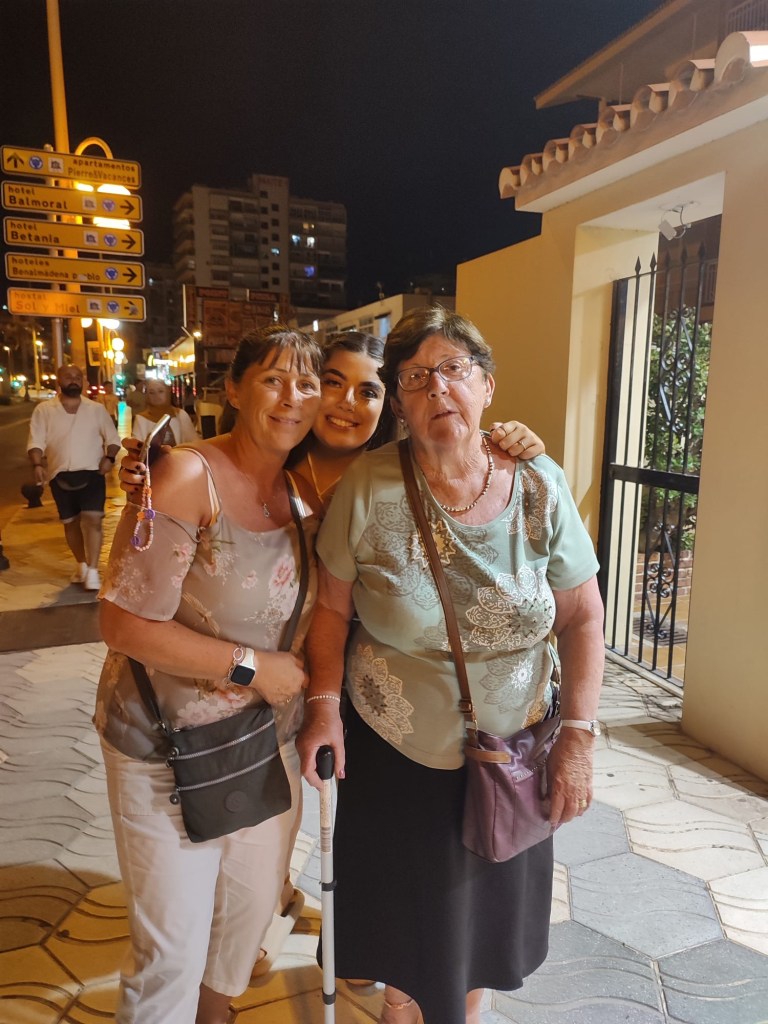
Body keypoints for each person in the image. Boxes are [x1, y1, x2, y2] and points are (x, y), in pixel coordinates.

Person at [117, 328, 547, 977]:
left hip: (379, 676)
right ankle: (264, 910)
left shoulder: (403, 470)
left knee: (365, 818)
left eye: (368, 390)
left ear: (389, 404)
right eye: (332, 384)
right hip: (275, 681)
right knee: (274, 817)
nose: (347, 403)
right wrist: (142, 480)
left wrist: (509, 437)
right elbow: (193, 505)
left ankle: (363, 937)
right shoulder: (272, 469)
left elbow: (473, 471)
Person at [297, 306, 605, 1024]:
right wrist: (322, 709)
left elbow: (584, 617)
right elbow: (331, 612)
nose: (437, 388)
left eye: (453, 370)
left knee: (479, 924)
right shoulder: (369, 487)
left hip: (511, 752)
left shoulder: (539, 483)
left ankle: (459, 1009)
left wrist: (579, 738)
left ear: (487, 386)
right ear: (399, 406)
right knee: (406, 925)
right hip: (396, 751)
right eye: (414, 378)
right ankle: (402, 1003)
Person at [95, 325, 324, 1024]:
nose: (292, 397)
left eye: (307, 383)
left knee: (246, 917)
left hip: (263, 741)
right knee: (172, 949)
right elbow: (124, 624)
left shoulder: (306, 489)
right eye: (273, 379)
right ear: (233, 389)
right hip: (164, 745)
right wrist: (253, 668)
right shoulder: (187, 477)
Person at [27, 364, 121, 591]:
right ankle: (81, 563)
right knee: (71, 523)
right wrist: (37, 464)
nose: (73, 380)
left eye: (78, 377)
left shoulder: (96, 409)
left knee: (94, 520)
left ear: (83, 382)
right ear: (59, 381)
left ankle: (93, 570)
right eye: (68, 376)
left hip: (92, 472)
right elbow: (36, 441)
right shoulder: (44, 410)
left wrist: (109, 458)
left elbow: (113, 439)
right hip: (59, 474)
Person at [132, 378, 198, 447]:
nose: (156, 396)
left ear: (167, 392)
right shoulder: (141, 418)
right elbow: (136, 446)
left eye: (160, 391)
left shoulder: (180, 414)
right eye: (151, 392)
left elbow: (194, 442)